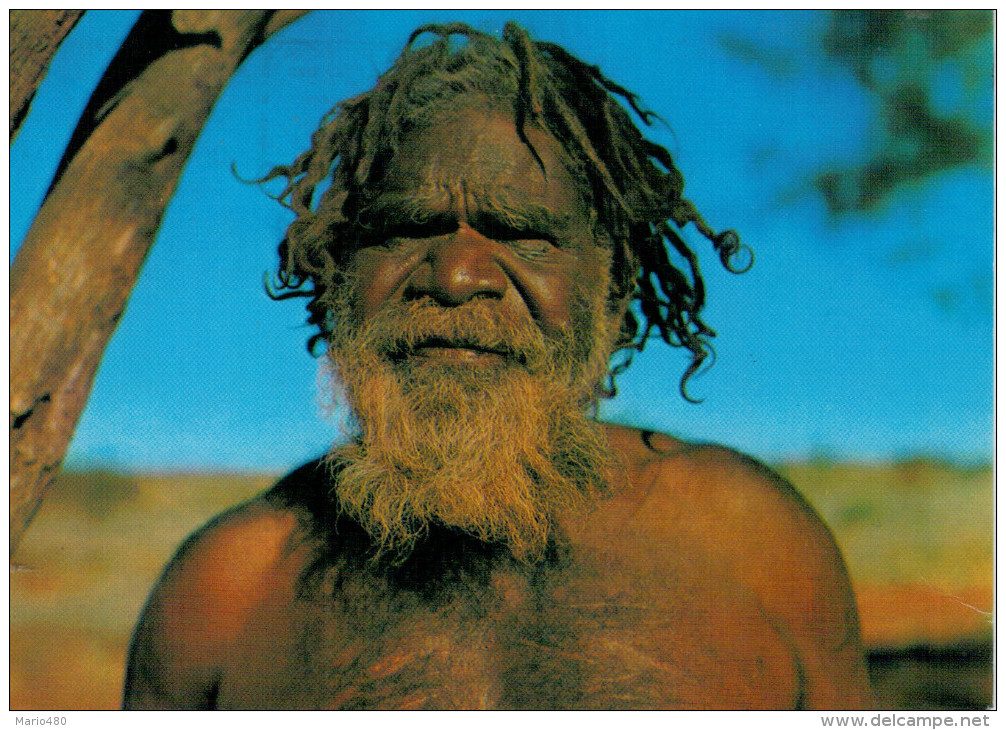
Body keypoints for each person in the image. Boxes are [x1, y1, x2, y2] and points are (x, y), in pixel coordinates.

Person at [123, 22, 873, 710]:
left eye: (521, 236)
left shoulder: (750, 540)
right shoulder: (228, 590)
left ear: (612, 292)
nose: (454, 278)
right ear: (337, 273)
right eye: (407, 229)